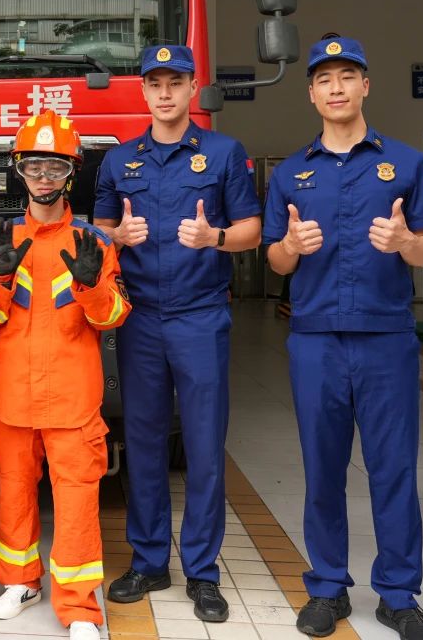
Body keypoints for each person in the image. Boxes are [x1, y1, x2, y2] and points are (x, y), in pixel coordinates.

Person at [264, 37, 423, 640]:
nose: (335, 88)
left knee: (394, 468)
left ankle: (399, 595)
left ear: (365, 85)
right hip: (315, 340)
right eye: (324, 79)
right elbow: (276, 260)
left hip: (386, 339)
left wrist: (404, 242)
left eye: (346, 76)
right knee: (323, 467)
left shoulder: (406, 164)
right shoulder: (292, 173)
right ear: (311, 93)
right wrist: (291, 247)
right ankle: (328, 588)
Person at [94, 44, 261, 623]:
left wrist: (215, 238)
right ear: (143, 91)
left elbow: (253, 229)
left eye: (175, 82)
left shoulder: (223, 152)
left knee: (205, 447)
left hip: (199, 316)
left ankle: (203, 572)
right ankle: (148, 562)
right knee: (142, 444)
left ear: (193, 88)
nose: (165, 93)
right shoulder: (119, 160)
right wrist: (116, 238)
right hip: (139, 318)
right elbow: (98, 229)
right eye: (155, 83)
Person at [0, 110, 130, 640]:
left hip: (72, 396)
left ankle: (79, 605)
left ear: (71, 174)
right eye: (34, 167)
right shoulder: (2, 238)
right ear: (19, 171)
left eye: (55, 167)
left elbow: (112, 317)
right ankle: (20, 582)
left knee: (77, 499)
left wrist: (91, 285)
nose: (44, 178)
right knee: (13, 491)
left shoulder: (93, 242)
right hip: (14, 393)